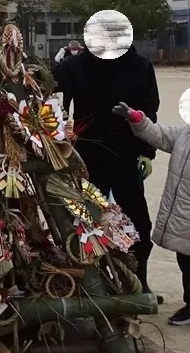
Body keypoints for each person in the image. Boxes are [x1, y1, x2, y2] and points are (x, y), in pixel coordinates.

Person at [113, 98, 190, 332]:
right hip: (184, 213)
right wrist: (138, 120)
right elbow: (160, 135)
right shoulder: (187, 134)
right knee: (186, 258)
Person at [54, 41, 161, 295]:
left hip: (129, 157)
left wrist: (147, 153)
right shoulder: (77, 65)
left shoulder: (140, 66)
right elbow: (52, 87)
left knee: (137, 224)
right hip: (87, 160)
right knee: (87, 222)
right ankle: (93, 284)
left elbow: (150, 111)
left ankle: (137, 282)